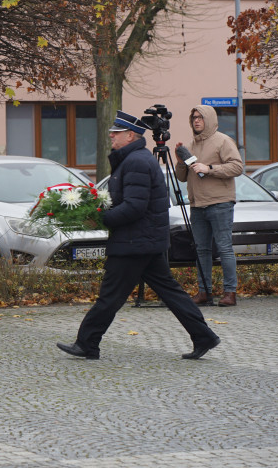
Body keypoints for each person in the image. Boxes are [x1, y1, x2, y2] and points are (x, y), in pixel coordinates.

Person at [56, 110, 221, 360]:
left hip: (134, 243)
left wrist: (101, 218)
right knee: (170, 292)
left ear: (130, 136)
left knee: (110, 296)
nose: (111, 135)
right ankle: (204, 336)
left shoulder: (136, 162)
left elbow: (134, 207)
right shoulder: (134, 159)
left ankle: (87, 343)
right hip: (143, 241)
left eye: (116, 132)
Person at [175, 105, 244, 307]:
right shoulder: (190, 145)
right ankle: (204, 291)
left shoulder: (223, 141)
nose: (196, 121)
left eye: (200, 117)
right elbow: (182, 177)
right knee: (202, 250)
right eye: (194, 117)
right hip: (197, 205)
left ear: (210, 119)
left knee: (224, 248)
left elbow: (238, 166)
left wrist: (210, 168)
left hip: (220, 203)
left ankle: (230, 292)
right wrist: (180, 162)